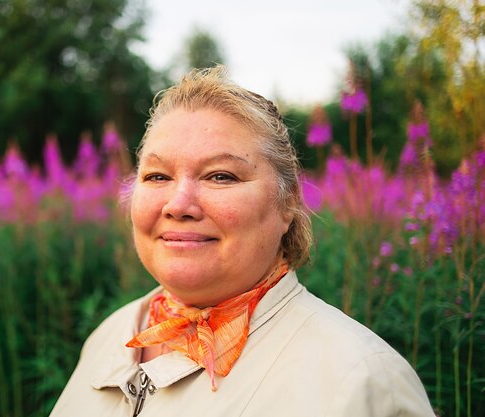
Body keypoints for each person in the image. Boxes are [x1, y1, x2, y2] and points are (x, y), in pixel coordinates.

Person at [49, 66, 436, 417]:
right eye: (157, 176)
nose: (178, 204)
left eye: (221, 176)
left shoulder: (362, 382)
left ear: (288, 203)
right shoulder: (112, 335)